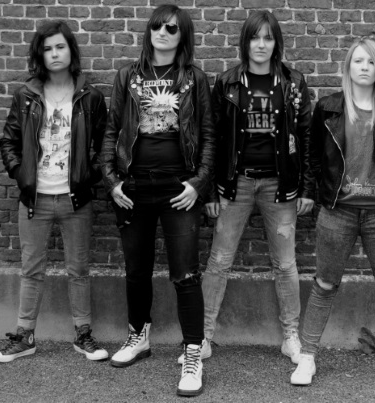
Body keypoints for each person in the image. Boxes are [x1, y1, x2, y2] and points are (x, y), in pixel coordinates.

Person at [290, 38, 375, 392]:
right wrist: (319, 193)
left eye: (371, 62)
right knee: (324, 285)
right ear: (348, 67)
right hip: (339, 212)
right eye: (358, 61)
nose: (364, 67)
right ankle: (307, 357)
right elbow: (314, 158)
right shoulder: (328, 108)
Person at [99, 4, 215, 397]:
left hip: (178, 189)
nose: (162, 32)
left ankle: (193, 353)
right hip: (133, 188)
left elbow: (209, 136)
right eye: (157, 26)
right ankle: (139, 336)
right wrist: (112, 181)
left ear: (183, 36)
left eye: (171, 28)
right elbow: (112, 131)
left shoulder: (194, 79)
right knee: (136, 270)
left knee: (186, 274)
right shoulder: (127, 76)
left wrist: (198, 184)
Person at [189, 10, 314, 366]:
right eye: (255, 37)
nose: (261, 44)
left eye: (268, 38)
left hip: (280, 186)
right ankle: (202, 338)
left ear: (277, 43)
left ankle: (291, 337)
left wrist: (307, 188)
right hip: (236, 184)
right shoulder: (227, 82)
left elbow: (306, 137)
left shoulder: (293, 83)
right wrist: (210, 192)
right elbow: (212, 138)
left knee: (285, 264)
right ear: (245, 42)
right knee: (219, 261)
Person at [0, 20, 108, 363]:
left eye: (60, 46)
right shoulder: (26, 95)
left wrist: (89, 176)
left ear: (70, 50)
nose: (54, 53)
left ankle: (83, 335)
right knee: (31, 270)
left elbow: (105, 146)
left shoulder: (90, 97)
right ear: (39, 55)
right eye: (47, 48)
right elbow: (8, 141)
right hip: (35, 199)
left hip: (75, 199)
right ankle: (24, 337)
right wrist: (21, 175)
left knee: (78, 270)